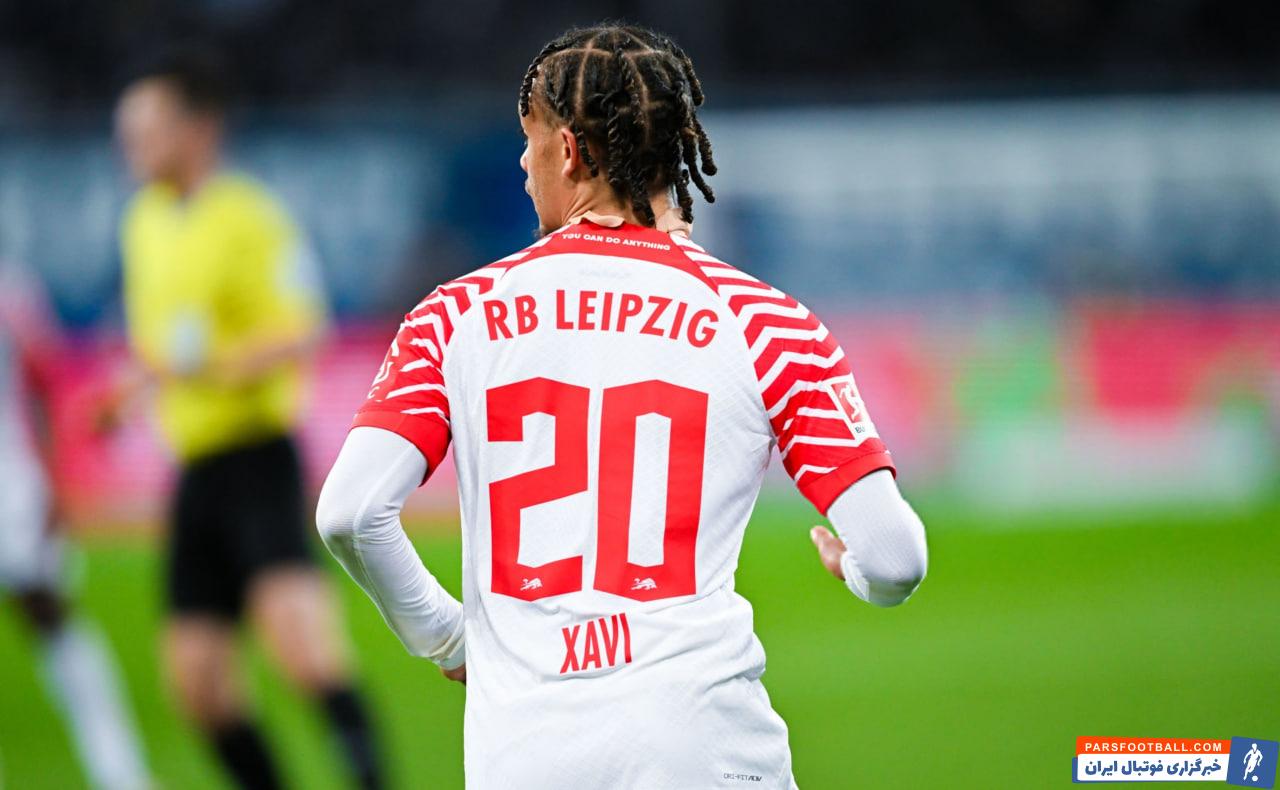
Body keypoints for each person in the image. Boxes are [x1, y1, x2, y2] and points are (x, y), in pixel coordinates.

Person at [317, 23, 928, 789]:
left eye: (531, 140)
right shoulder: (767, 322)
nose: (524, 163)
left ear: (570, 151)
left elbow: (349, 514)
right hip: (704, 748)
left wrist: (449, 640)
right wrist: (862, 574)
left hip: (523, 756)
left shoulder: (454, 316)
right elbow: (897, 557)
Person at [103, 47, 384, 790]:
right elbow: (165, 347)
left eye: (147, 129)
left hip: (257, 455)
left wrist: (213, 366)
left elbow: (303, 330)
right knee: (196, 683)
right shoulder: (143, 221)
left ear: (200, 129)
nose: (131, 145)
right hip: (195, 467)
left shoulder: (250, 217)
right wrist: (128, 392)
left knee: (303, 650)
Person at [0, 261, 151, 790]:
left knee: (50, 612)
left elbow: (41, 382)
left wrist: (54, 481)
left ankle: (120, 772)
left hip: (11, 482)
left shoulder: (10, 291)